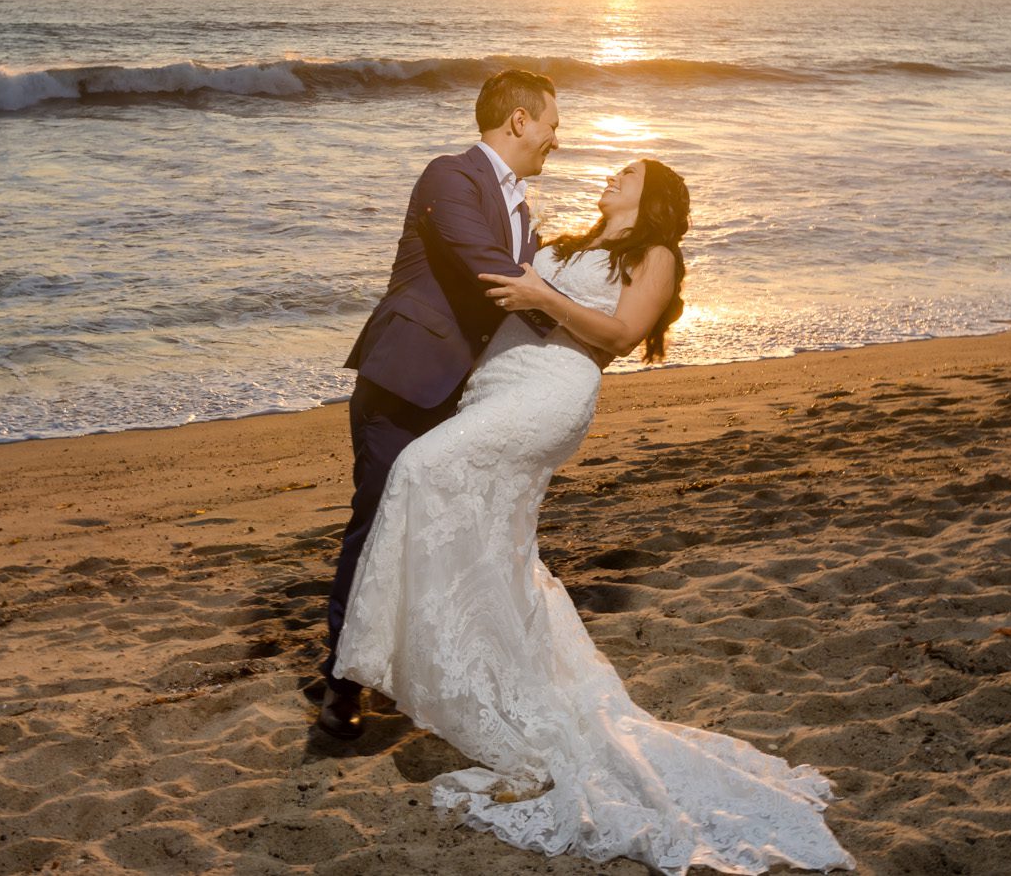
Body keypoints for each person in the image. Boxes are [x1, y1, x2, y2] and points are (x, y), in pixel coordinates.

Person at [333, 158, 856, 874]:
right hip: (496, 383)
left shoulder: (655, 254)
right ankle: (463, 665)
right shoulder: (566, 240)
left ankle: (408, 657)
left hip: (550, 389)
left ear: (654, 196)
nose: (612, 177)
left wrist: (540, 296)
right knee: (492, 541)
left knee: (422, 469)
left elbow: (619, 336)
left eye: (627, 173)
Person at [315, 69, 562, 740]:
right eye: (552, 124)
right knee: (377, 522)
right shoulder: (450, 175)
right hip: (407, 381)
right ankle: (342, 679)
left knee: (440, 529)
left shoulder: (522, 210)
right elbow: (485, 266)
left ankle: (416, 664)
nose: (556, 139)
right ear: (519, 120)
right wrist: (570, 318)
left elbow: (521, 280)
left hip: (467, 395)